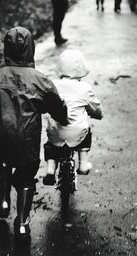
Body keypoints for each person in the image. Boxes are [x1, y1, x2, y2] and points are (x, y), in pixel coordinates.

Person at [0, 26, 69, 241]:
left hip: (2, 137)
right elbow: (56, 103)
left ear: (6, 48)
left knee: (4, 164)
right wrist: (63, 118)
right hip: (28, 140)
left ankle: (3, 202)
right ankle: (23, 222)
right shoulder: (40, 80)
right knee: (26, 177)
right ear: (30, 49)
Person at [43, 49, 103, 186]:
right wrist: (98, 114)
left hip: (56, 132)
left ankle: (50, 169)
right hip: (77, 133)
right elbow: (95, 109)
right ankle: (83, 163)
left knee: (51, 142)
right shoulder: (84, 88)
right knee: (86, 130)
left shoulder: (53, 85)